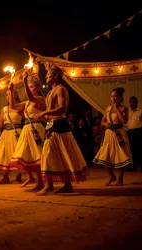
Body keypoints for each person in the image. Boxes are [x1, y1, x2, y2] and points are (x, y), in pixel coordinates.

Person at [33, 66, 87, 196]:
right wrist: (45, 117)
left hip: (60, 125)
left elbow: (62, 109)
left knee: (54, 154)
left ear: (56, 76)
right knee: (54, 154)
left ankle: (50, 185)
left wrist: (44, 112)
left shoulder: (61, 89)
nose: (45, 77)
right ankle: (62, 185)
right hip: (53, 125)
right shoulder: (52, 91)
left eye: (48, 74)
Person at [9, 71, 46, 190]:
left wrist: (24, 81)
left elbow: (31, 96)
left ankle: (41, 182)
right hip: (26, 129)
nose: (29, 89)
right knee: (28, 155)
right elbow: (13, 107)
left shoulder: (40, 99)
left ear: (37, 87)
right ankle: (35, 179)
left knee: (37, 154)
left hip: (35, 128)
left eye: (31, 86)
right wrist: (11, 91)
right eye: (28, 86)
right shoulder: (27, 102)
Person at [93, 87, 132, 186]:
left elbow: (124, 121)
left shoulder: (124, 108)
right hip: (109, 134)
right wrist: (105, 124)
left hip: (119, 134)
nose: (113, 98)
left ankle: (120, 178)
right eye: (111, 97)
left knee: (121, 156)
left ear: (120, 97)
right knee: (105, 156)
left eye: (115, 96)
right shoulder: (108, 109)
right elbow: (102, 121)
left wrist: (117, 110)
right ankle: (112, 176)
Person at [0, 88, 23, 184]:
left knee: (16, 153)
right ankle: (5, 176)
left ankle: (19, 176)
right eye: (6, 95)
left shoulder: (20, 107)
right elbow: (1, 125)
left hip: (16, 132)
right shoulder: (4, 109)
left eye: (10, 94)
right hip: (6, 133)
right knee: (4, 154)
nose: (8, 97)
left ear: (15, 95)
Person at [126, 96, 142, 172]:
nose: (131, 104)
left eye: (133, 102)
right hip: (130, 132)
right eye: (130, 102)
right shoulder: (127, 111)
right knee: (132, 150)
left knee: (140, 149)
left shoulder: (141, 111)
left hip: (139, 131)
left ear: (136, 102)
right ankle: (134, 166)